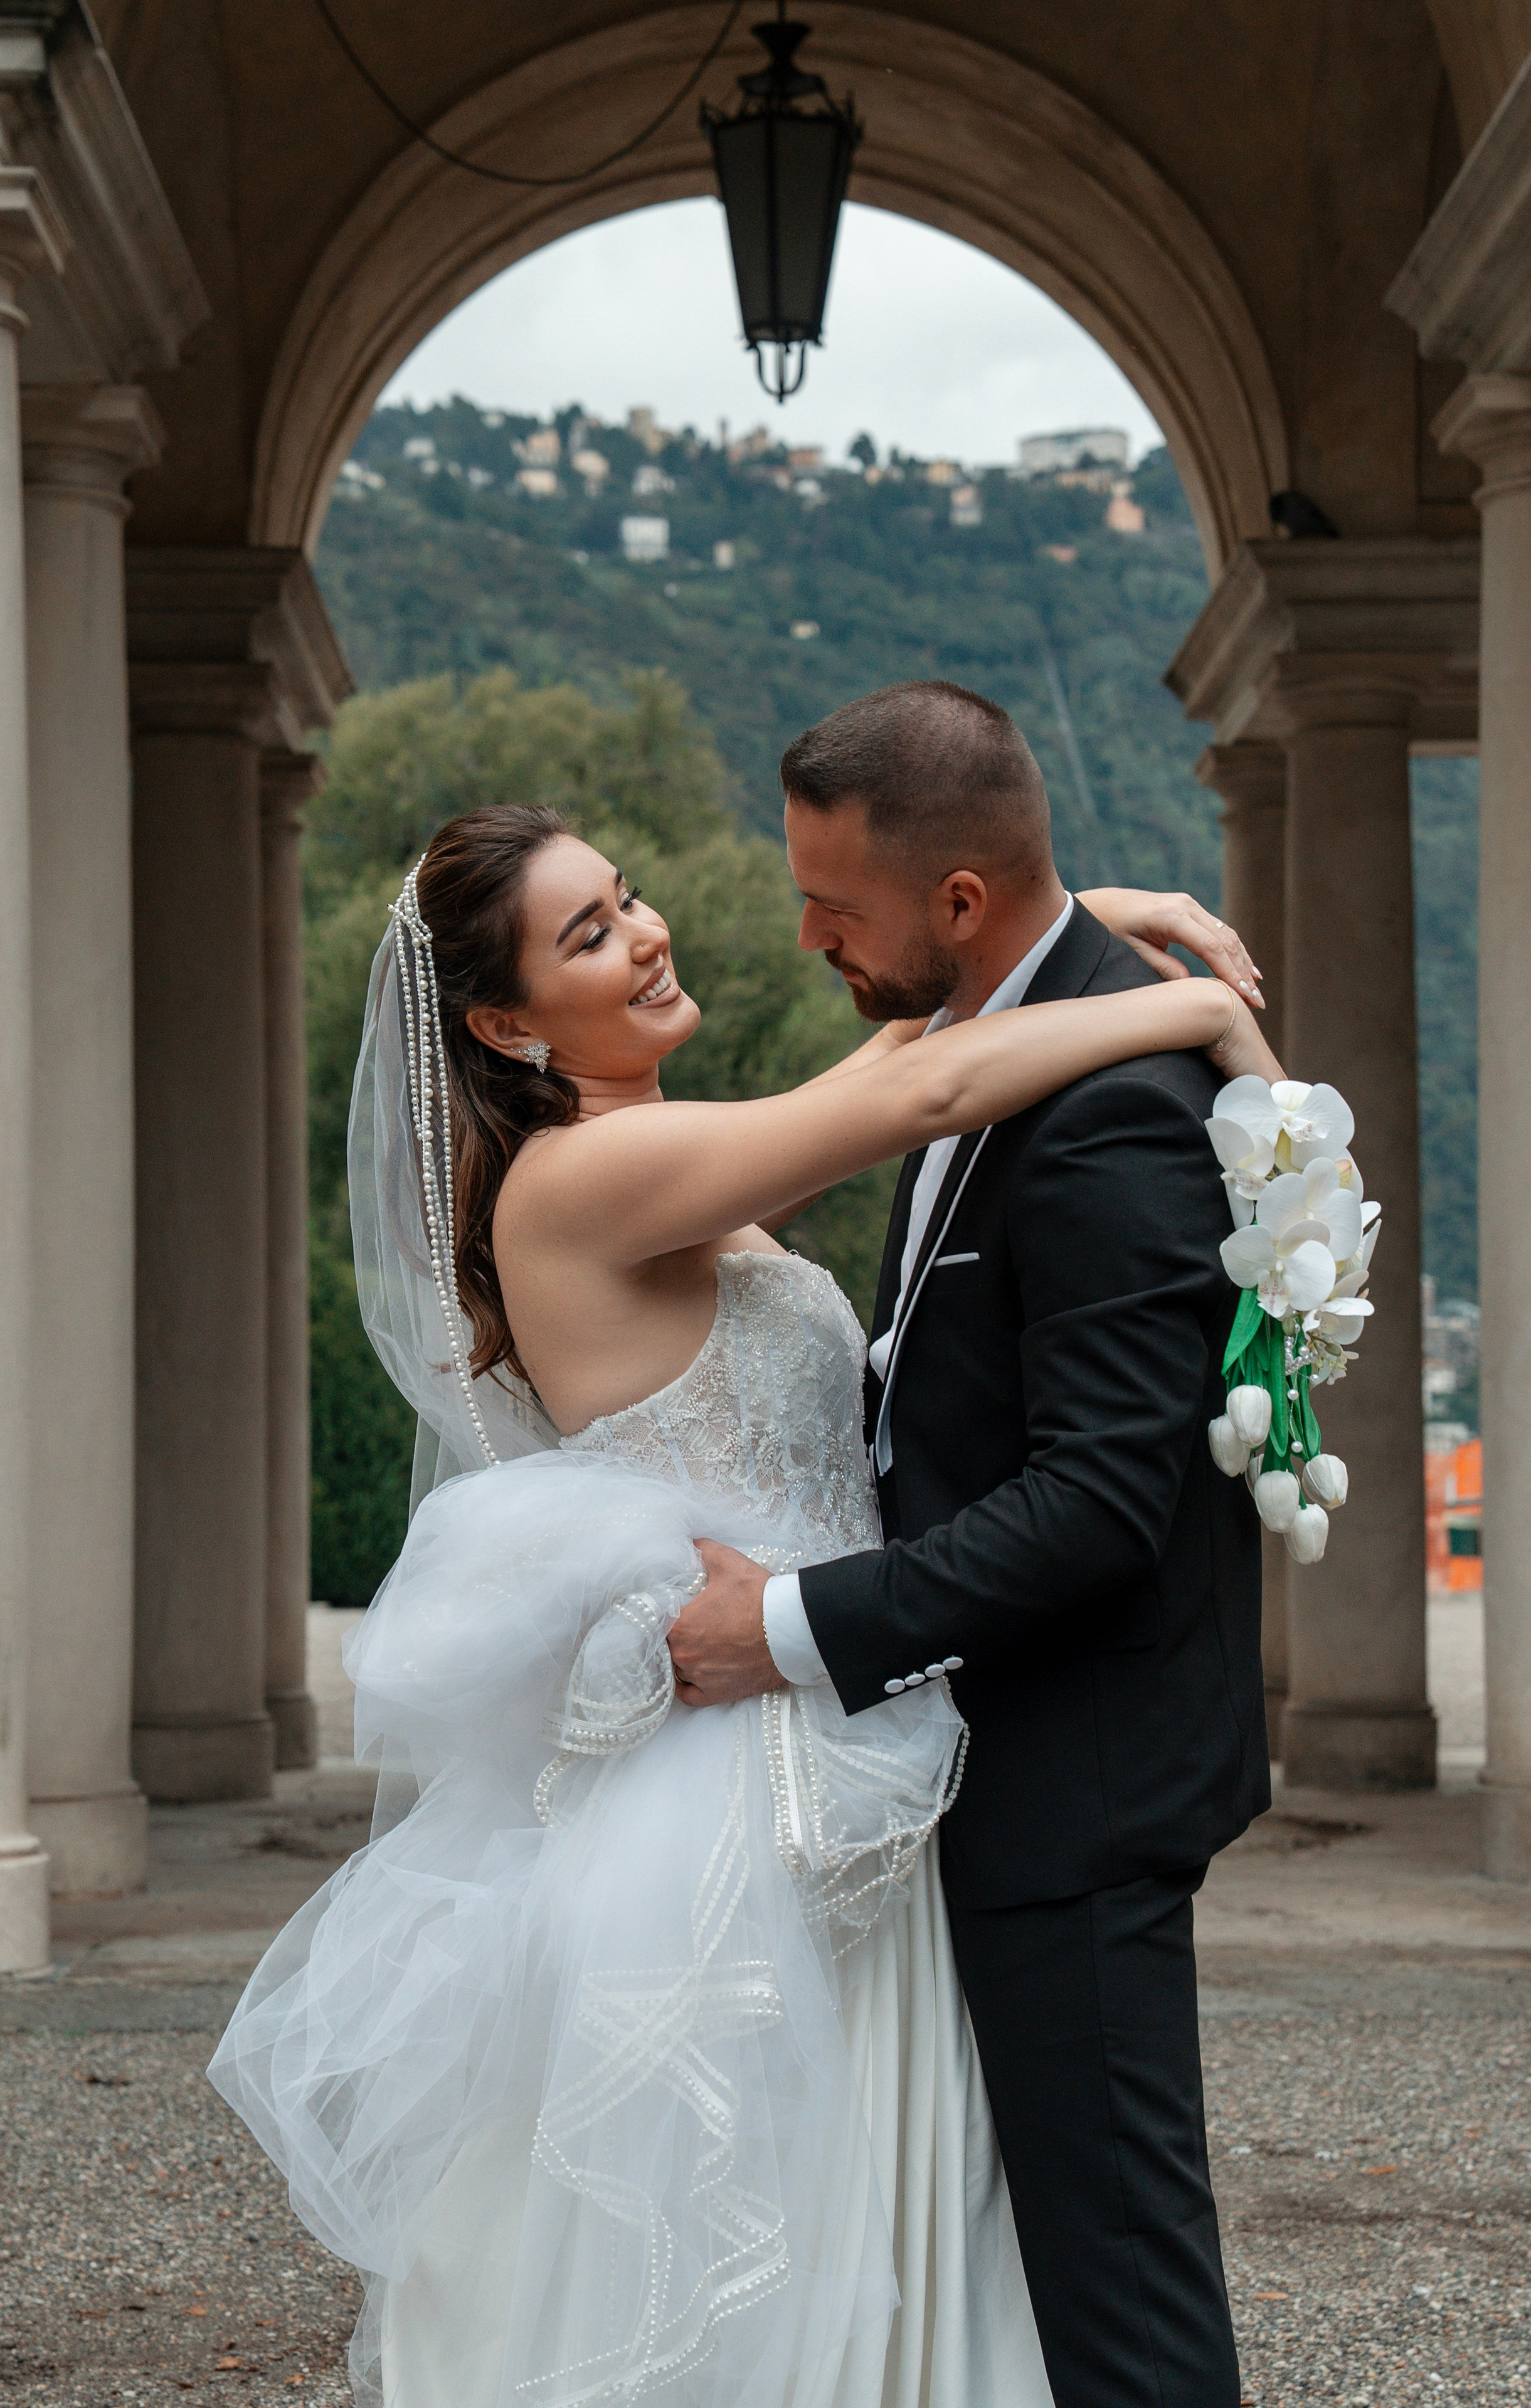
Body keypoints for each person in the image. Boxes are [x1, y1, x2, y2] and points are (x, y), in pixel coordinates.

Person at [210, 681, 1281, 2408]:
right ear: (500, 1026)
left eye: (623, 893)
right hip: (739, 1787)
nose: (642, 933)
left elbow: (910, 1050)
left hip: (835, 1745)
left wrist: (1096, 927)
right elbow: (929, 1093)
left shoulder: (664, 1151)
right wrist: (1194, 1021)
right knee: (761, 2259)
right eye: (584, 934)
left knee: (899, 2226)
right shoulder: (572, 1186)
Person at [670, 680, 1275, 2408]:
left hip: (1078, 1780)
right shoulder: (1005, 1037)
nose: (807, 939)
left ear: (956, 907)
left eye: (835, 910)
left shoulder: (1107, 1106)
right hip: (995, 1766)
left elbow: (1100, 1503)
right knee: (1042, 2267)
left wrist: (782, 1627)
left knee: (1121, 2288)